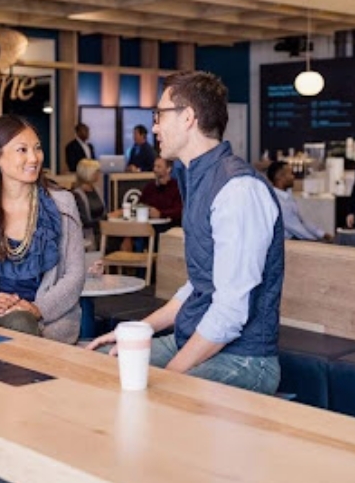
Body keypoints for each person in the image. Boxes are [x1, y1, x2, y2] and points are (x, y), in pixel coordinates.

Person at [88, 70, 285, 395]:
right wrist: (140, 329)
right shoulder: (195, 178)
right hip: (196, 337)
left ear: (188, 117)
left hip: (247, 360)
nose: (153, 127)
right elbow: (200, 286)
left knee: (149, 391)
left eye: (159, 115)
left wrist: (169, 376)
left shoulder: (238, 190)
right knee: (101, 366)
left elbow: (230, 311)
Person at [0, 114, 85, 342]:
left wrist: (38, 308)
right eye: (22, 150)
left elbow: (74, 275)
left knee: (20, 323)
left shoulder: (63, 204)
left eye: (37, 148)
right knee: (15, 323)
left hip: (50, 324)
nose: (34, 158)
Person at [267, 160, 332, 243]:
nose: (293, 177)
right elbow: (299, 230)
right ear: (280, 177)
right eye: (290, 173)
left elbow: (302, 221)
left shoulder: (287, 195)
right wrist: (318, 241)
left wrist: (323, 234)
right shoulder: (279, 203)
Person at [72, 158, 106, 249]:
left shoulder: (97, 190)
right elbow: (85, 222)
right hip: (88, 235)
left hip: (101, 231)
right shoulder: (77, 195)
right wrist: (107, 217)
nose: (99, 174)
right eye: (96, 172)